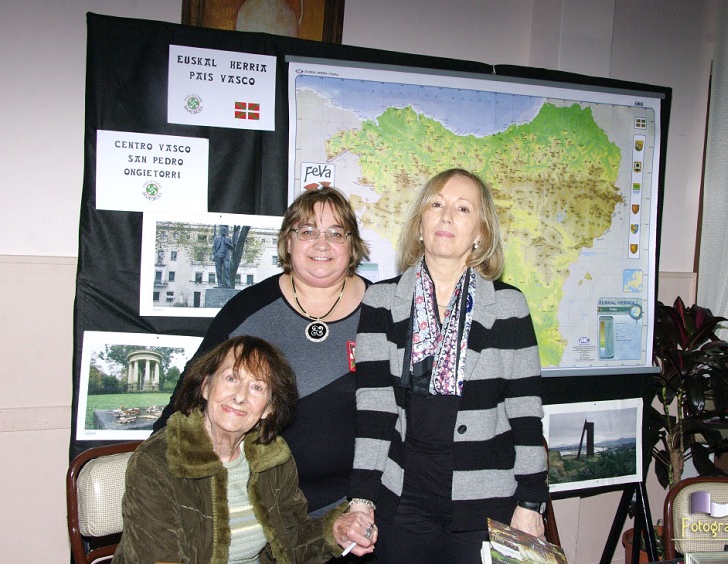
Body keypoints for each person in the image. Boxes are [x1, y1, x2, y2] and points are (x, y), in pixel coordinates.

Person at [347, 168, 548, 563]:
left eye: (462, 208)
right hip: (404, 497)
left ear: (480, 234)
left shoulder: (509, 306)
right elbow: (373, 410)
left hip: (485, 503)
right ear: (420, 224)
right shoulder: (381, 302)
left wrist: (531, 501)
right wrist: (361, 497)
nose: (446, 216)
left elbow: (526, 411)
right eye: (436, 204)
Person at [156, 187, 370, 516]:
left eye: (336, 233)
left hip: (359, 508)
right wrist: (152, 475)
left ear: (352, 244)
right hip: (258, 508)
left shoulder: (383, 310)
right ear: (288, 241)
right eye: (308, 231)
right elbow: (187, 398)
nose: (321, 244)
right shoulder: (249, 309)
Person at [113, 336, 376, 562]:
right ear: (205, 387)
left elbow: (292, 545)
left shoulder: (272, 456)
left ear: (269, 408)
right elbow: (160, 559)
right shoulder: (159, 459)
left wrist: (337, 530)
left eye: (257, 387)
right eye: (231, 378)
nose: (240, 396)